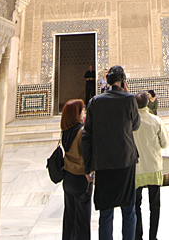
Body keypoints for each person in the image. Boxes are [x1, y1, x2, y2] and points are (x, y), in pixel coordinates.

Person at [82, 65, 140, 240]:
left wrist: (87, 166)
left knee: (106, 213)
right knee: (129, 210)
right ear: (122, 81)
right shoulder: (129, 99)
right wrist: (128, 93)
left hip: (103, 163)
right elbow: (136, 125)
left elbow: (87, 135)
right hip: (125, 162)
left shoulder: (95, 102)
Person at [133, 91, 169, 240]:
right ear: (148, 103)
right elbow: (165, 143)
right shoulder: (156, 121)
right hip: (153, 168)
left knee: (136, 205)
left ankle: (138, 236)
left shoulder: (130, 122)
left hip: (136, 169)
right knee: (155, 206)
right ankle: (152, 237)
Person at [61, 99, 93, 240]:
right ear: (76, 113)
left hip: (68, 178)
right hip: (81, 179)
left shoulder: (65, 132)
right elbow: (86, 154)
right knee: (82, 220)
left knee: (69, 217)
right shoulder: (81, 132)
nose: (84, 111)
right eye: (82, 109)